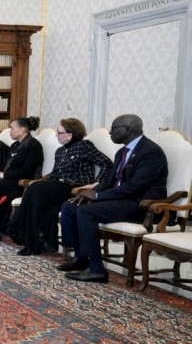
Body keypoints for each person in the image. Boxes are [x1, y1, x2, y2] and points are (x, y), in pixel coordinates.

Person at [59, 114, 168, 283]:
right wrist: (90, 192)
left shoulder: (150, 152)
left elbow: (134, 187)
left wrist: (98, 196)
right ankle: (81, 257)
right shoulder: (122, 152)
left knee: (86, 212)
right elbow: (110, 182)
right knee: (70, 206)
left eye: (114, 128)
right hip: (121, 200)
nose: (110, 132)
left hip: (141, 204)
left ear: (128, 129)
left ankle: (97, 270)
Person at [8, 118, 113, 256]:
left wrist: (97, 182)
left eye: (59, 133)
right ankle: (32, 241)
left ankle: (19, 228)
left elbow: (107, 163)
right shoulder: (60, 151)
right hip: (59, 187)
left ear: (70, 134)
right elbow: (55, 175)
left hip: (76, 187)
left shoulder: (84, 146)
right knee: (35, 190)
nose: (56, 136)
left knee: (36, 190)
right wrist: (39, 181)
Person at [0, 117, 44, 240]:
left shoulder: (33, 146)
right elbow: (8, 166)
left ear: (22, 130)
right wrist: (1, 174)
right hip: (9, 180)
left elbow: (27, 172)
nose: (10, 131)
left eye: (12, 128)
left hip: (22, 183)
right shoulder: (15, 145)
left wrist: (3, 175)